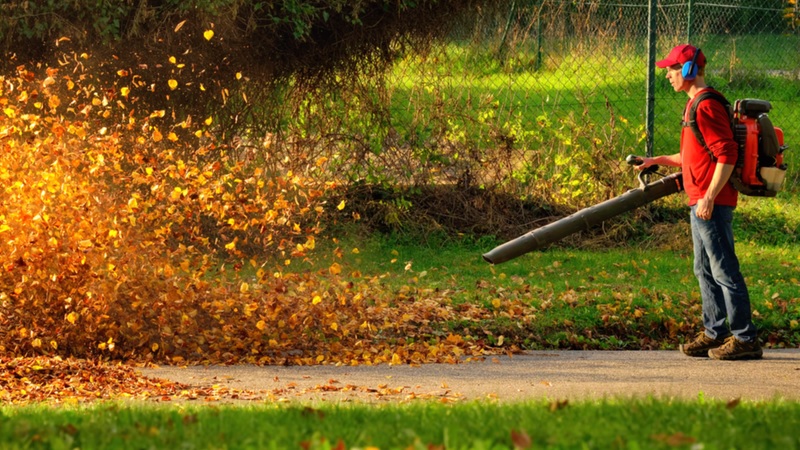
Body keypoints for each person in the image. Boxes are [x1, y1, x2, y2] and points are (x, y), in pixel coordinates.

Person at [635, 44, 762, 360]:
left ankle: (745, 338)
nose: (667, 75)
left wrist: (709, 196)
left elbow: (727, 154)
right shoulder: (695, 106)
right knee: (704, 269)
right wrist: (657, 159)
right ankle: (714, 332)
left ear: (689, 70)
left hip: (711, 204)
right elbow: (694, 154)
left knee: (724, 270)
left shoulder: (705, 106)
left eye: (672, 69)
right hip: (701, 201)